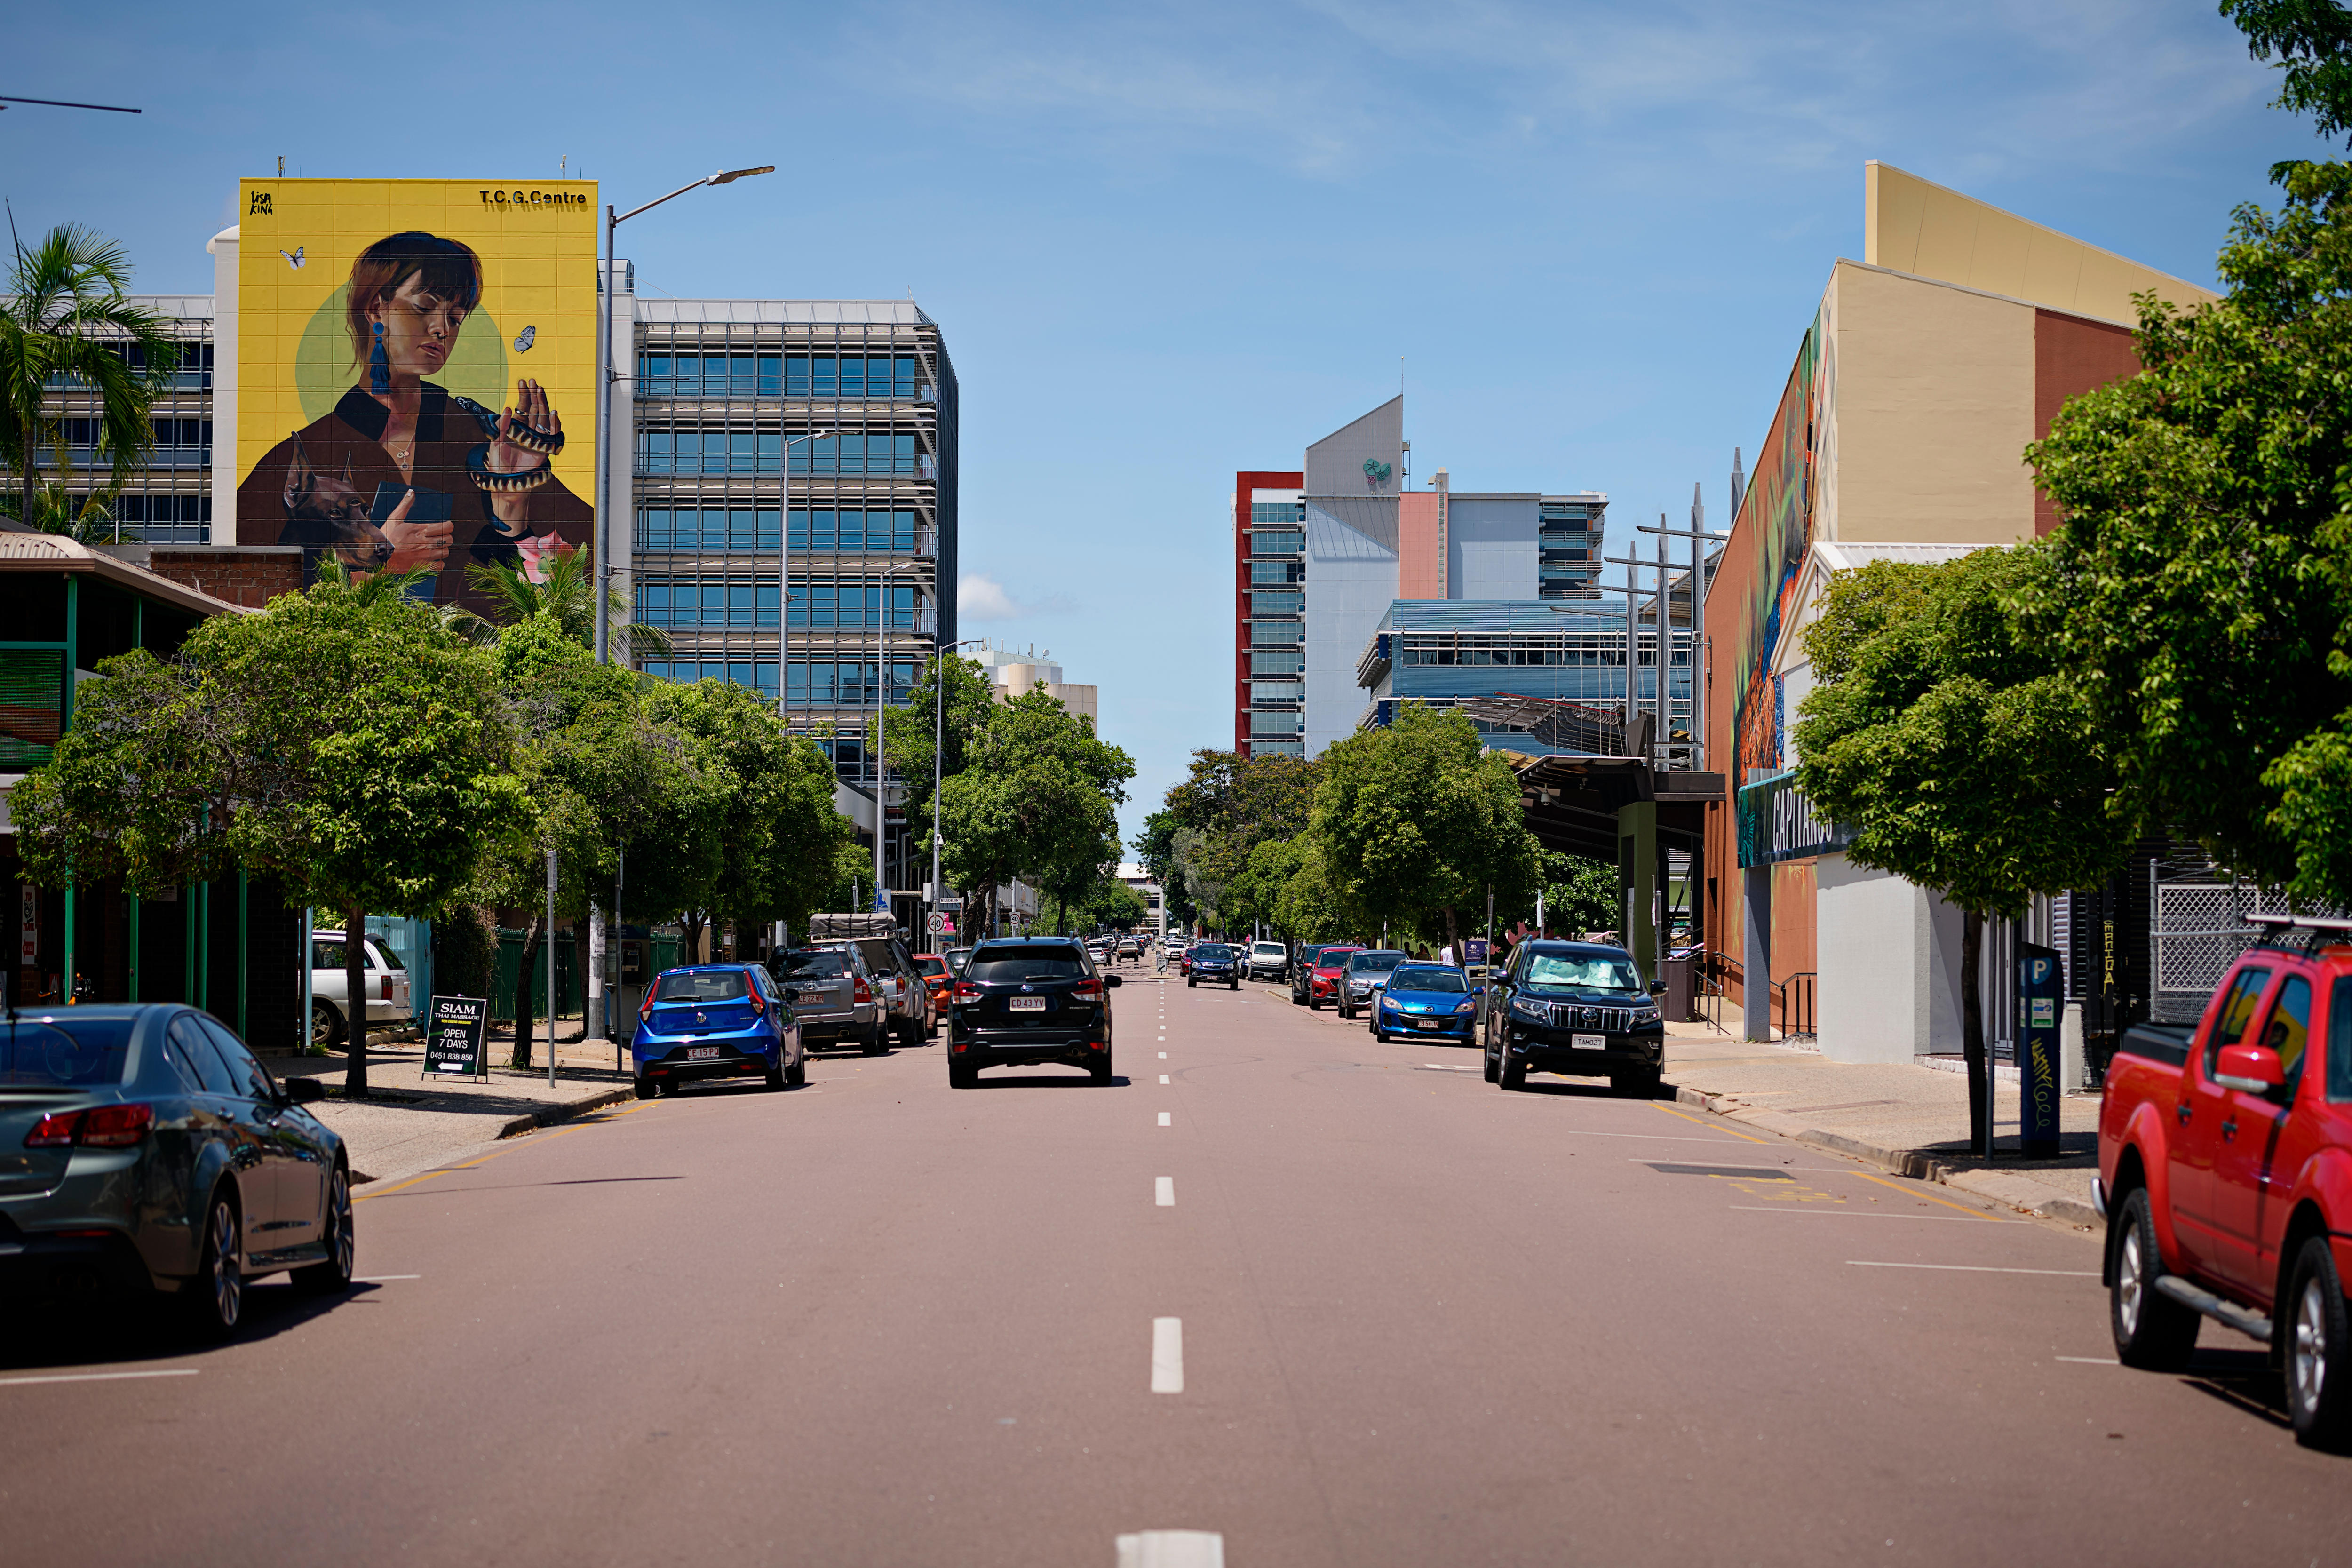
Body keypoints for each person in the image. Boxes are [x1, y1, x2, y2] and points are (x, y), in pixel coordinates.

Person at [238, 231, 590, 613]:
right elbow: (244, 590)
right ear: (376, 309)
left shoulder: (483, 443)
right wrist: (371, 566)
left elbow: (590, 576)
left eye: (455, 318)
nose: (443, 329)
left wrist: (511, 513)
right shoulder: (298, 457)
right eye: (425, 307)